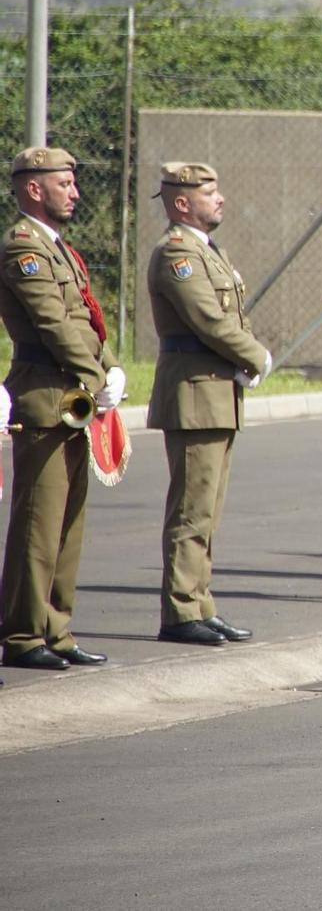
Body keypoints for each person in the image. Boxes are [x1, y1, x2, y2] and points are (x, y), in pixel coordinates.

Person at [0, 146, 121, 672]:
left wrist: (110, 365)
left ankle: (57, 627)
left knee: (69, 521)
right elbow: (52, 324)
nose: (74, 192)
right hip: (44, 392)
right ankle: (24, 633)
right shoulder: (21, 247)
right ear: (33, 187)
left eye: (73, 183)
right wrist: (97, 376)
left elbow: (88, 319)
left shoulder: (60, 249)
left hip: (73, 395)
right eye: (64, 183)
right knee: (38, 521)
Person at [145, 162, 273, 646]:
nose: (219, 198)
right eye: (208, 191)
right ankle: (179, 610)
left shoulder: (206, 250)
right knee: (191, 509)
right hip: (195, 389)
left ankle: (200, 602)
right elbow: (207, 319)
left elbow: (227, 315)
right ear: (182, 203)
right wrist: (255, 354)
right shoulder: (177, 253)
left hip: (217, 389)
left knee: (209, 510)